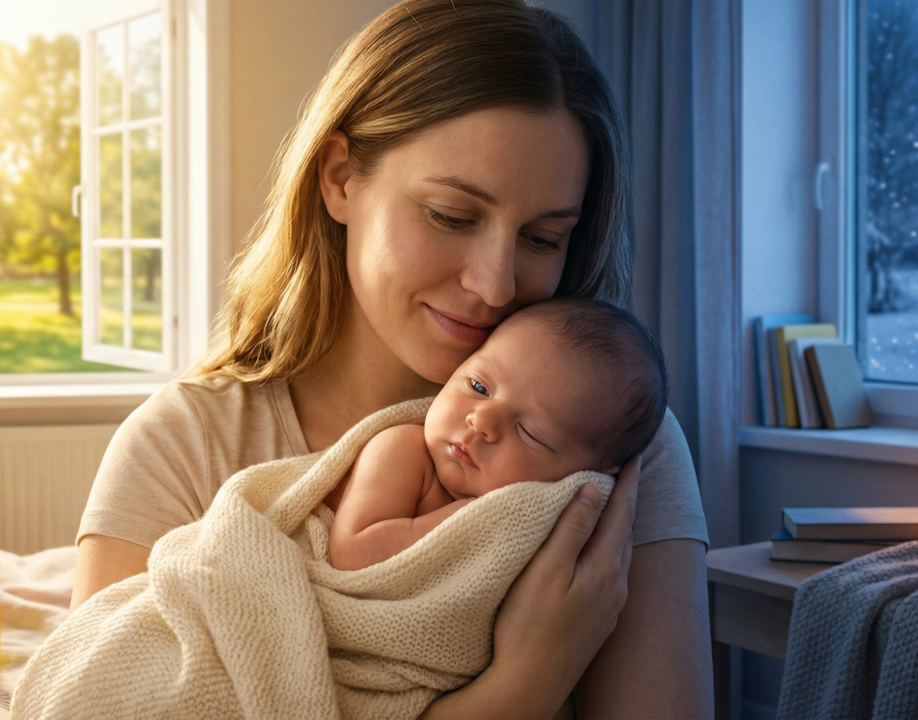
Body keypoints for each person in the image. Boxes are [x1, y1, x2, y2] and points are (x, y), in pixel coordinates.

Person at [72, 0, 712, 717]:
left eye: (542, 238)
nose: (495, 284)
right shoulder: (184, 444)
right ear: (342, 178)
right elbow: (97, 685)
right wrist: (526, 682)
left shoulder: (617, 448)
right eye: (451, 216)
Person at [328, 298, 668, 572]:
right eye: (478, 386)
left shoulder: (564, 521)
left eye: (530, 432)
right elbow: (353, 552)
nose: (482, 420)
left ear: (584, 474)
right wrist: (476, 518)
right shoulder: (402, 450)